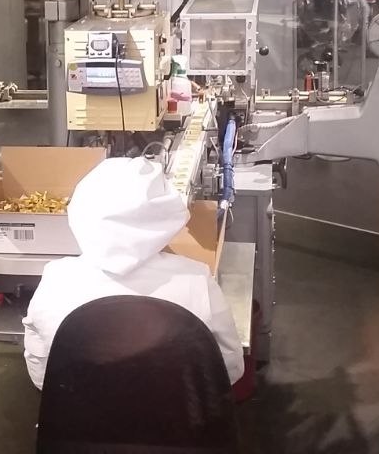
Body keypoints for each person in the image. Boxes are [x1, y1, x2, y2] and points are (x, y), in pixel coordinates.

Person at [23, 156, 245, 390]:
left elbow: (41, 373)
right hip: (173, 413)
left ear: (80, 212)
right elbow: (231, 368)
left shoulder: (56, 280)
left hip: (78, 413)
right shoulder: (197, 281)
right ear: (167, 215)